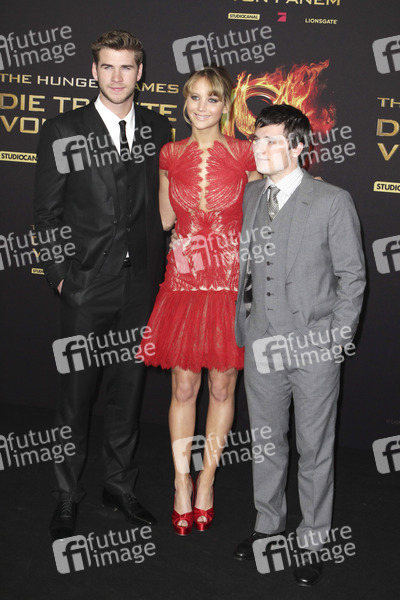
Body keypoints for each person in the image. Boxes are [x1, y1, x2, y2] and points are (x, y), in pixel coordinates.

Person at [33, 30, 171, 540]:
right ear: (93, 71)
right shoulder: (63, 129)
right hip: (86, 286)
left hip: (140, 287)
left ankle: (119, 486)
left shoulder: (157, 126)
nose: (117, 77)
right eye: (107, 67)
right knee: (75, 397)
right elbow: (46, 213)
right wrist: (61, 277)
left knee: (127, 394)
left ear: (140, 72)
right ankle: (67, 495)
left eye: (126, 67)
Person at [232, 104, 366, 585]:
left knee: (314, 448)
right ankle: (268, 526)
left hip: (313, 349)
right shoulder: (251, 195)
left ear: (297, 146)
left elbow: (353, 278)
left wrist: (334, 342)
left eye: (271, 140)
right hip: (261, 342)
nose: (260, 148)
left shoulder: (332, 201)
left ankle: (312, 539)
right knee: (266, 443)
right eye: (257, 139)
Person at [139, 66, 261, 535]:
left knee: (223, 388)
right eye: (194, 97)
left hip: (229, 286)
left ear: (225, 105)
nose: (202, 107)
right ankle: (180, 483)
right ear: (184, 103)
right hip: (185, 284)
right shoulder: (170, 154)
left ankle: (207, 479)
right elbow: (165, 220)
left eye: (212, 98)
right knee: (184, 388)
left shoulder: (246, 154)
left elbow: (262, 221)